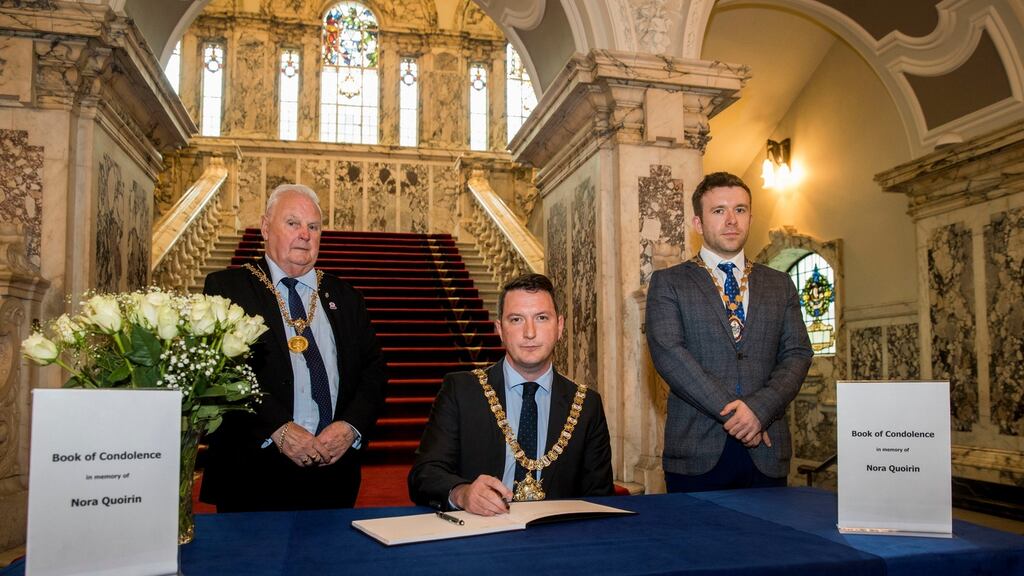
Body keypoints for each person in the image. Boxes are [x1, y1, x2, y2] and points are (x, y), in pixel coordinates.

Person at [200, 184, 386, 511]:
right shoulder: (228, 289)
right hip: (253, 472)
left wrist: (350, 427)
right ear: (266, 227)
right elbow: (223, 374)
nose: (304, 234)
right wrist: (277, 429)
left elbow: (374, 373)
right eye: (293, 223)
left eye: (313, 227)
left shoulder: (346, 297)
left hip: (334, 473)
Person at [646, 171, 813, 492]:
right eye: (719, 211)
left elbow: (797, 354)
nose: (731, 220)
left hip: (766, 449)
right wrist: (740, 415)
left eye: (740, 210)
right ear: (698, 223)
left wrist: (760, 410)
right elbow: (670, 354)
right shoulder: (670, 283)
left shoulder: (779, 284)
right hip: (696, 450)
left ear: (750, 217)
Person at [408, 273, 614, 515]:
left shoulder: (586, 405)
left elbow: (599, 497)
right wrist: (461, 493)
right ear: (500, 329)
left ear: (559, 327)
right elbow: (425, 474)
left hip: (557, 539)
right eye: (516, 319)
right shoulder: (462, 391)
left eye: (541, 318)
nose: (529, 332)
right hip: (480, 533)